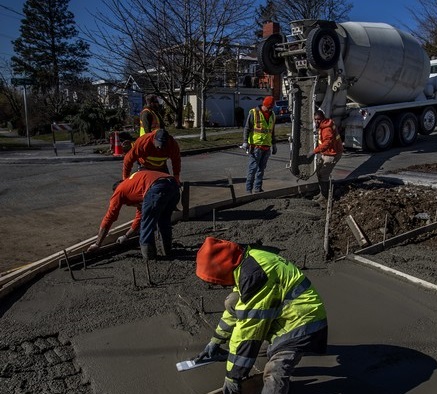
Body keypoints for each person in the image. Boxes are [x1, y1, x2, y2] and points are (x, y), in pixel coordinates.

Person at [194, 237, 328, 394]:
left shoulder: (254, 277)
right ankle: (249, 356)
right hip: (284, 313)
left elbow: (249, 331)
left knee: (274, 371)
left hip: (302, 321)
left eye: (216, 281)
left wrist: (233, 376)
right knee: (234, 302)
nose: (220, 285)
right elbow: (236, 310)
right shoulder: (247, 261)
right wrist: (215, 341)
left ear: (220, 270)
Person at [86, 170, 180, 260]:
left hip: (157, 187)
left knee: (146, 225)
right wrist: (126, 236)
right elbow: (139, 218)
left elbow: (109, 217)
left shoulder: (119, 190)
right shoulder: (136, 186)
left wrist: (97, 244)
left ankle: (149, 257)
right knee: (164, 220)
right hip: (173, 185)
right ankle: (167, 251)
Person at [242, 96, 277, 194]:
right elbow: (247, 128)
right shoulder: (254, 112)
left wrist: (274, 144)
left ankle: (258, 188)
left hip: (266, 147)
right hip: (255, 146)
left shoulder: (273, 115)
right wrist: (245, 142)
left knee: (261, 169)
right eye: (268, 107)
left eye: (271, 108)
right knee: (252, 169)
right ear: (264, 105)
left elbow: (272, 131)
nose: (269, 109)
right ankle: (248, 190)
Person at [306, 110, 343, 203]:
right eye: (315, 119)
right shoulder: (324, 125)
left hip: (333, 154)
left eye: (318, 119)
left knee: (323, 175)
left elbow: (327, 143)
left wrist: (314, 151)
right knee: (319, 171)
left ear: (322, 119)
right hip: (327, 153)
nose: (317, 121)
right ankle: (322, 192)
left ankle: (325, 196)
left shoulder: (326, 129)